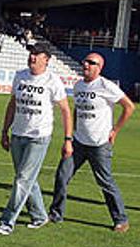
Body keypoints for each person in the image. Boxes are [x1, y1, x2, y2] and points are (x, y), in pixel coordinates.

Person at [49, 52, 134, 232]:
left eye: (91, 62)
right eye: (85, 61)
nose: (86, 65)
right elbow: (76, 112)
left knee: (105, 182)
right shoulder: (79, 85)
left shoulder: (106, 85)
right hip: (79, 142)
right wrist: (70, 137)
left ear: (99, 67)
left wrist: (115, 130)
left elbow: (129, 106)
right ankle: (56, 213)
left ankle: (121, 219)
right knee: (62, 176)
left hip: (99, 144)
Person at [0, 41, 72, 235]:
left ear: (47, 59)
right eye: (31, 53)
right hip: (18, 134)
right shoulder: (20, 76)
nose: (32, 57)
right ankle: (39, 215)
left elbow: (65, 111)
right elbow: (12, 104)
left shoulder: (52, 81)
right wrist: (5, 131)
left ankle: (7, 221)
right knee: (28, 179)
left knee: (22, 179)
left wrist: (68, 139)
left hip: (39, 136)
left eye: (37, 54)